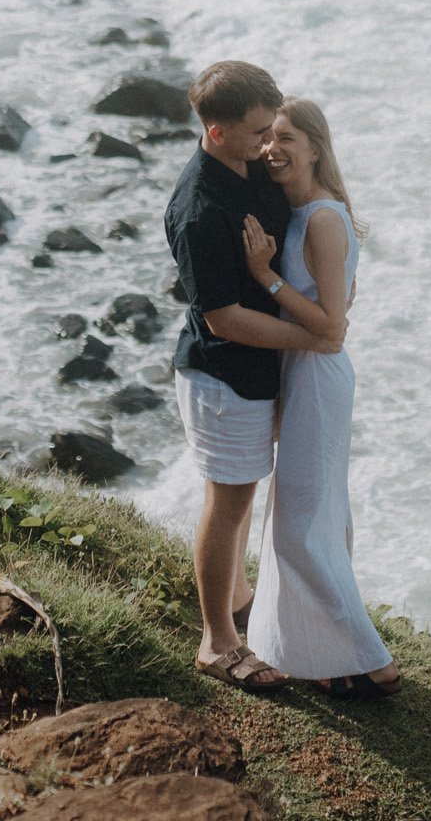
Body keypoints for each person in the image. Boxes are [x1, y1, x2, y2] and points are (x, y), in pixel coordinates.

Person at [168, 60, 340, 692]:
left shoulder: (242, 170)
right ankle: (217, 642)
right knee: (230, 497)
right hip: (223, 377)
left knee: (242, 492)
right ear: (217, 132)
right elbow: (222, 319)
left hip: (260, 370)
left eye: (275, 128)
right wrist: (315, 336)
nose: (269, 142)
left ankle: (238, 592)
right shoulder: (199, 208)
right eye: (258, 130)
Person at [238, 97, 403, 698]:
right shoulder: (303, 212)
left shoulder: (325, 219)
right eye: (266, 139)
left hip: (318, 377)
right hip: (302, 373)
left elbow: (331, 327)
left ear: (314, 146)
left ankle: (374, 662)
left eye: (286, 138)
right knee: (317, 519)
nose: (272, 149)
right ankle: (328, 657)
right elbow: (339, 303)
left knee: (299, 529)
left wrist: (265, 277)